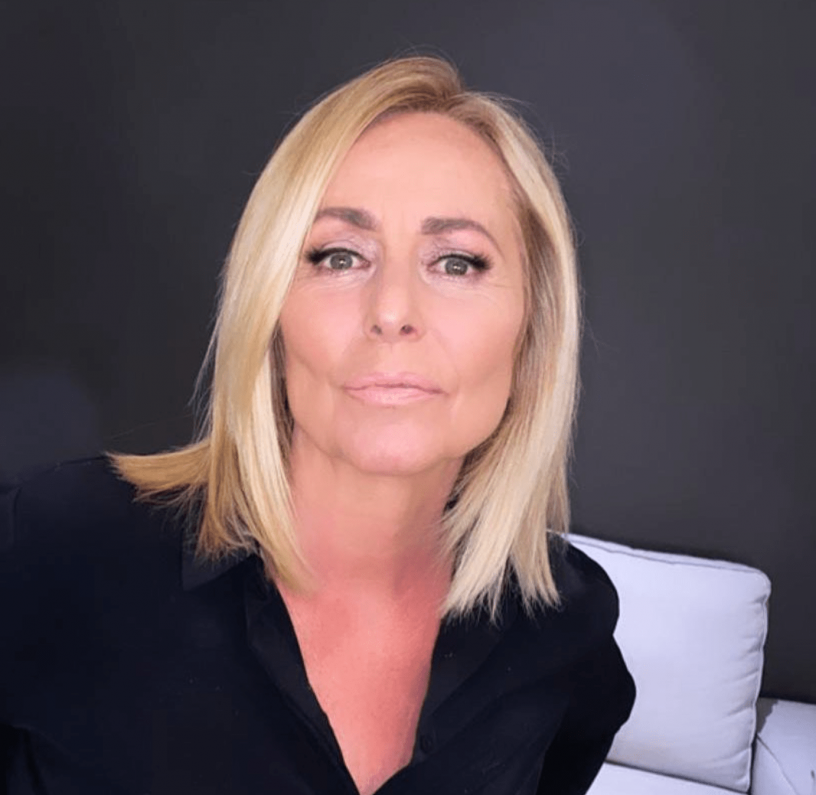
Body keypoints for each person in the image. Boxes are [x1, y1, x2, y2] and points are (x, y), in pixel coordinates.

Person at [0, 56, 635, 795]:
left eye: (458, 263)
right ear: (270, 314)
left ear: (533, 330)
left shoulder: (564, 623)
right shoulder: (57, 545)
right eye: (339, 256)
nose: (391, 310)